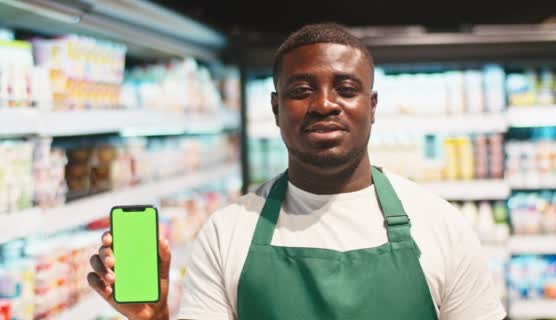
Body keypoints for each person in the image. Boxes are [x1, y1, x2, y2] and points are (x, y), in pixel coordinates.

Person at [88, 23, 506, 320]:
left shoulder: (440, 224)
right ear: (275, 108)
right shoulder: (227, 231)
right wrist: (154, 319)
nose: (324, 104)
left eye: (345, 88)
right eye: (302, 91)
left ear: (372, 107)